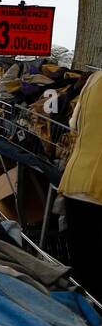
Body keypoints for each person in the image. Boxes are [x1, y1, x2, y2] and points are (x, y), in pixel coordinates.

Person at [59, 71, 102, 303]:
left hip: (78, 182)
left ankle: (87, 323)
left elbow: (74, 124)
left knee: (86, 270)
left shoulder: (95, 79)